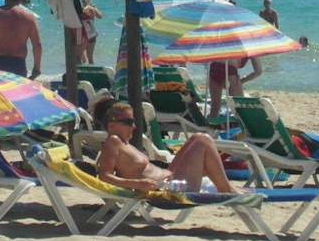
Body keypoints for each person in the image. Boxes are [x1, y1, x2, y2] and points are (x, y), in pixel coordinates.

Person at [94, 100, 234, 195]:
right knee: (203, 140)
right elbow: (104, 176)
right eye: (129, 122)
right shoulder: (112, 142)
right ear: (111, 126)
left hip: (170, 176)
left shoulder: (123, 143)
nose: (134, 126)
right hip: (169, 187)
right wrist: (137, 184)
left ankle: (227, 188)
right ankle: (227, 190)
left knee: (197, 137)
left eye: (134, 122)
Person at [207, 54, 263, 119]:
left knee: (215, 106)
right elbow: (258, 71)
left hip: (214, 67)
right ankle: (243, 123)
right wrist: (241, 81)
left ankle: (211, 123)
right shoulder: (251, 49)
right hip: (229, 69)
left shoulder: (232, 46)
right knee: (239, 105)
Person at [77, 0, 102, 65]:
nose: (85, 1)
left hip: (88, 34)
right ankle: (83, 68)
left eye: (86, 0)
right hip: (87, 34)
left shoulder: (91, 8)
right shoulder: (82, 9)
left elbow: (100, 16)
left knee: (87, 57)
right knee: (85, 57)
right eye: (84, 0)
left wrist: (93, 8)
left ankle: (86, 69)